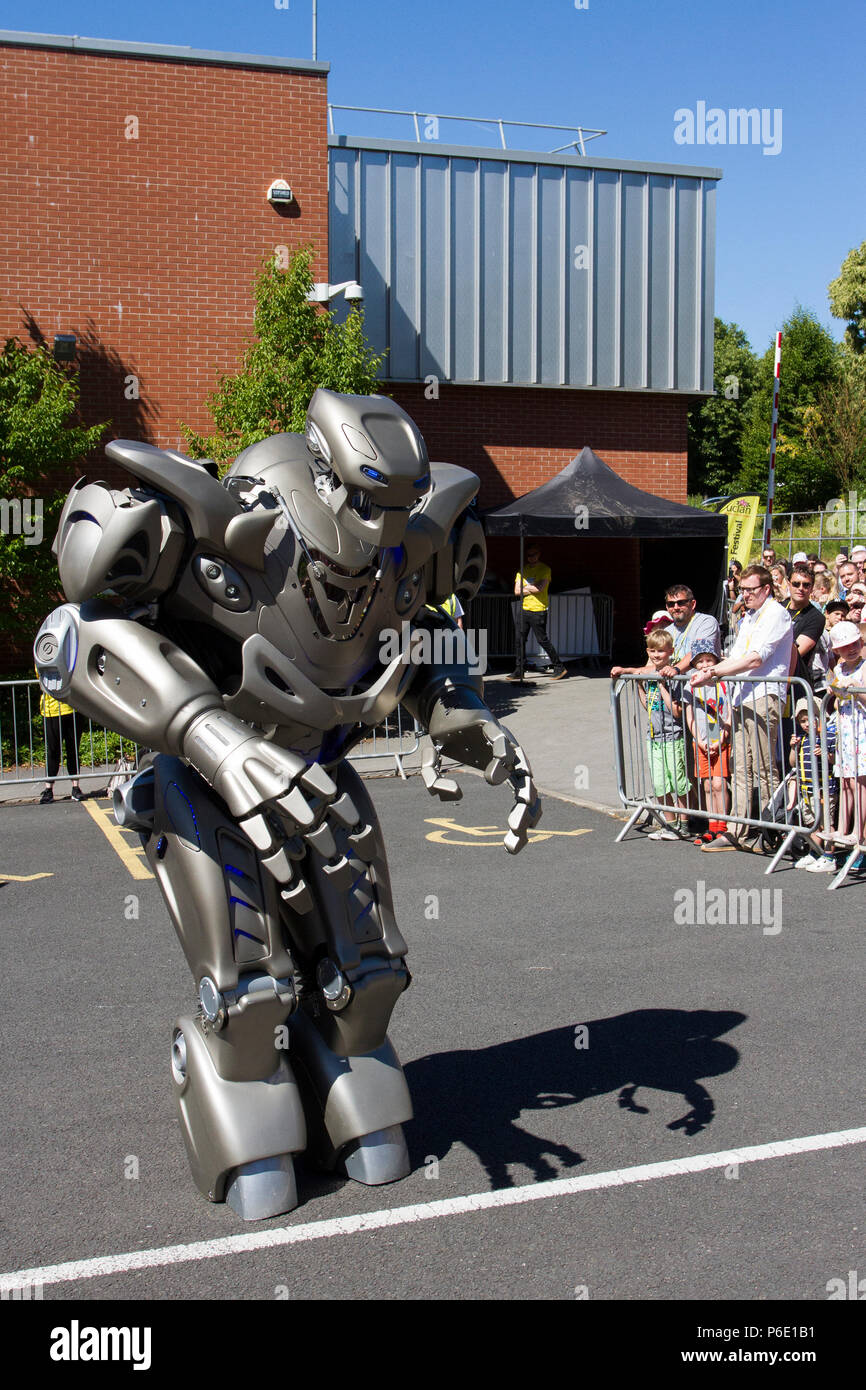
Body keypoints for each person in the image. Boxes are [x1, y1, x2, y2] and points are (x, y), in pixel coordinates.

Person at [692, 564, 793, 853]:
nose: (744, 594)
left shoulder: (776, 614)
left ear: (766, 589)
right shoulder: (748, 617)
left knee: (763, 767)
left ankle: (771, 829)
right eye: (742, 589)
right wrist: (708, 672)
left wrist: (712, 674)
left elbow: (754, 659)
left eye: (750, 590)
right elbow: (734, 657)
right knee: (741, 769)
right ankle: (736, 830)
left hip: (763, 696)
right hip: (740, 697)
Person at [807, 622, 866, 873]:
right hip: (845, 729)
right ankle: (843, 828)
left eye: (854, 644)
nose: (850, 650)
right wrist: (836, 689)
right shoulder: (838, 667)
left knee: (858, 782)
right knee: (844, 782)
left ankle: (857, 831)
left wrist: (854, 691)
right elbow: (831, 689)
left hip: (861, 729)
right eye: (845, 647)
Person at [636, 628, 689, 838]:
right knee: (659, 784)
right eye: (652, 651)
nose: (656, 655)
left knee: (678, 780)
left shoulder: (673, 676)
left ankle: (683, 823)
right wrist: (640, 687)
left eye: (661, 651)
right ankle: (669, 823)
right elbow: (647, 706)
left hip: (673, 735)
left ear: (670, 652)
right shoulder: (649, 675)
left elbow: (675, 710)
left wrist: (662, 685)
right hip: (654, 737)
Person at [681, 643, 731, 843]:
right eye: (700, 661)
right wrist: (698, 739)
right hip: (701, 740)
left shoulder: (724, 684)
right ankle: (712, 825)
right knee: (708, 785)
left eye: (709, 660)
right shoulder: (691, 684)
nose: (704, 665)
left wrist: (722, 739)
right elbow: (689, 715)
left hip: (720, 739)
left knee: (720, 783)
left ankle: (723, 825)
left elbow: (729, 715)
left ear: (716, 661)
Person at [508, 544, 567, 680]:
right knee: (519, 640)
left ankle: (559, 667)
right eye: (529, 555)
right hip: (524, 609)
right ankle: (519, 669)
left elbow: (540, 588)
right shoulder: (522, 570)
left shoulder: (545, 569)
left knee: (542, 640)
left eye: (533, 555)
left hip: (538, 609)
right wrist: (531, 588)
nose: (531, 557)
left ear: (539, 554)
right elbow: (517, 591)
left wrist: (525, 587)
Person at [38, 673, 84, 804]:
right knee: (53, 751)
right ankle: (48, 789)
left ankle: (75, 788)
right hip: (52, 711)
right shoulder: (44, 657)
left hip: (73, 708)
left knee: (73, 750)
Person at [661, 584, 721, 677]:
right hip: (673, 690)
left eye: (681, 603)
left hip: (701, 688)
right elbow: (654, 661)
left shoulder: (706, 622)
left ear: (693, 604)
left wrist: (676, 669)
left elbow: (699, 652)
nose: (676, 607)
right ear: (667, 607)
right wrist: (637, 671)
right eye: (671, 604)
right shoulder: (666, 631)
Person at [786, 565, 825, 692]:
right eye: (796, 584)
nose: (800, 589)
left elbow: (796, 651)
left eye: (806, 585)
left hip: (796, 683)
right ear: (788, 584)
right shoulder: (778, 608)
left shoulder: (816, 617)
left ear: (812, 588)